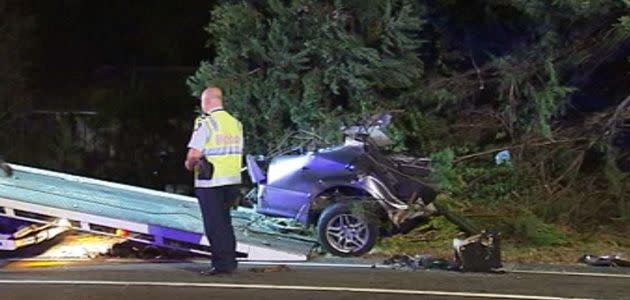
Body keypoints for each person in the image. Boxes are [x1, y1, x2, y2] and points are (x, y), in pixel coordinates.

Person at [184, 87, 243, 275]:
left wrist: (189, 164)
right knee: (225, 223)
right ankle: (229, 261)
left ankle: (222, 265)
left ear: (208, 101)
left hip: (211, 182)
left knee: (214, 225)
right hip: (232, 181)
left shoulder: (206, 124)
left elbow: (194, 153)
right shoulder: (235, 123)